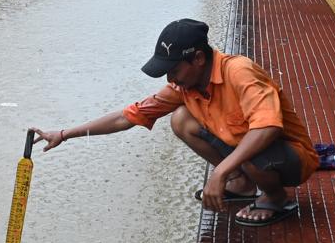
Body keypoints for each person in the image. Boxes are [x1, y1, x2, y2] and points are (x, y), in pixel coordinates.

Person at [30, 19, 318, 227]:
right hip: (247, 154)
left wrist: (219, 173)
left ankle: (276, 197)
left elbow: (269, 128)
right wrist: (65, 134)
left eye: (174, 70)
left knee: (254, 147)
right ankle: (242, 184)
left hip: (290, 158)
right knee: (181, 120)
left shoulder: (239, 72)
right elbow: (125, 117)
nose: (170, 80)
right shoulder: (184, 88)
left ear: (199, 59)